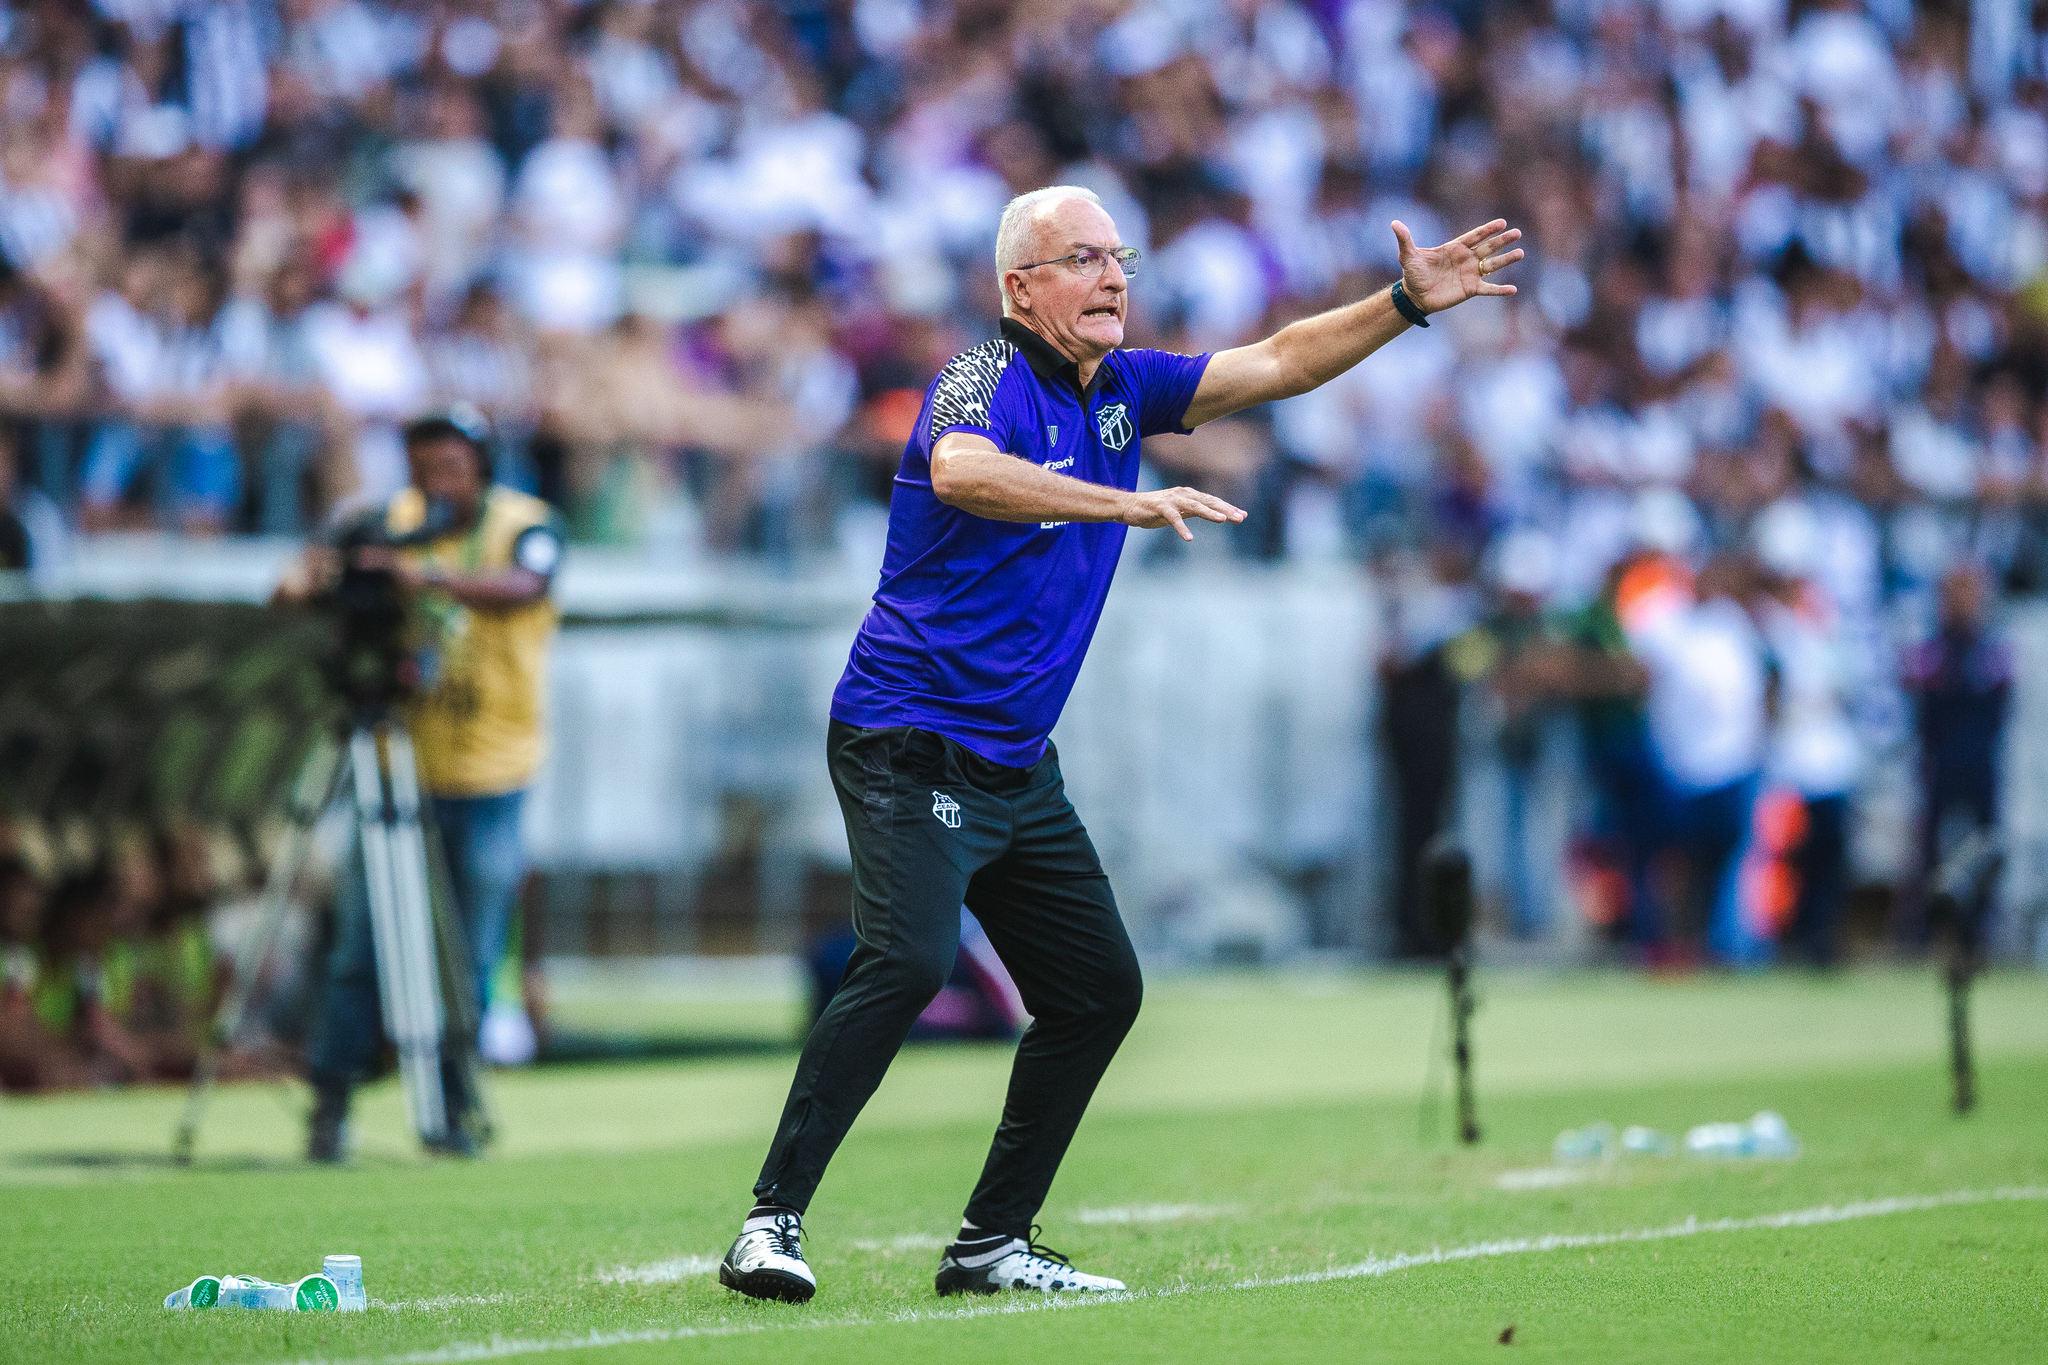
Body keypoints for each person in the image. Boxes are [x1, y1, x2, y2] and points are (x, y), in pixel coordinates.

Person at [718, 185, 1522, 1303]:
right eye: (1081, 259)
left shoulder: (1120, 392)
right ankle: (770, 1221)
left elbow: (1280, 362)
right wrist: (1120, 507)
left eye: (1119, 257)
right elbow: (958, 471)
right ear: (1019, 287)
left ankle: (992, 1243)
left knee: (1097, 991)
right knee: (905, 960)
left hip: (1012, 760)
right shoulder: (979, 376)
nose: (1112, 279)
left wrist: (1399, 303)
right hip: (907, 735)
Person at [276, 407, 564, 1160]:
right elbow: (315, 572)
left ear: (482, 468)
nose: (437, 483)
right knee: (360, 942)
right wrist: (315, 578)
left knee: (467, 952)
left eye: (452, 467)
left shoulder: (524, 521)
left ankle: (455, 1100)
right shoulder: (384, 521)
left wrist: (424, 573)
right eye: (423, 467)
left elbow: (527, 582)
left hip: (495, 768)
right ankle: (330, 1103)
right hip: (399, 760)